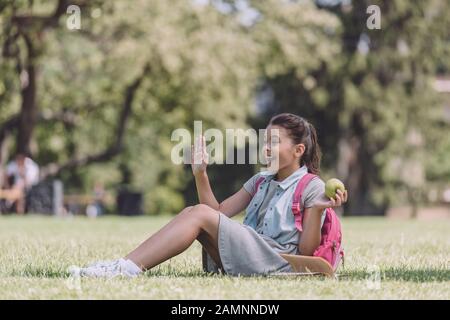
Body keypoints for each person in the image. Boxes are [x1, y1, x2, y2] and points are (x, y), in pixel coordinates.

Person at [70, 113, 348, 278]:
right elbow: (219, 212)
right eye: (265, 141)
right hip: (250, 252)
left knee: (199, 214)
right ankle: (125, 265)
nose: (265, 148)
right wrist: (200, 173)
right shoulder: (260, 180)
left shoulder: (312, 186)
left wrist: (320, 209)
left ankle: (125, 269)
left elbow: (307, 253)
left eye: (273, 142)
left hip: (278, 261)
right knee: (196, 212)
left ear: (298, 151)